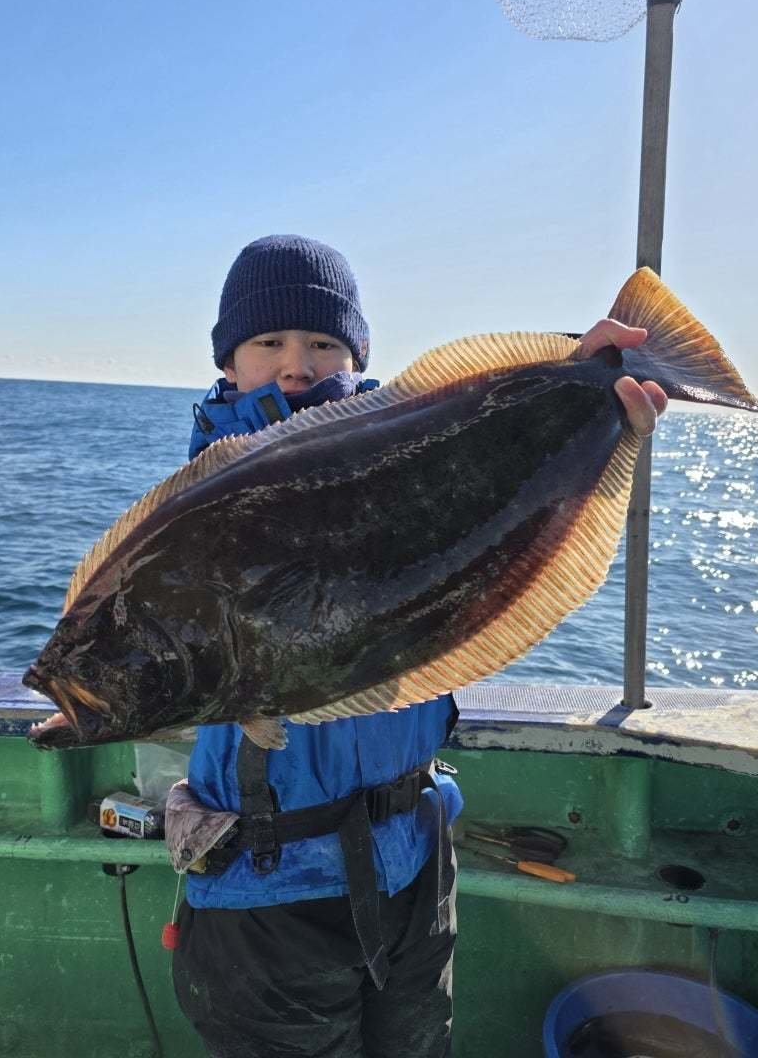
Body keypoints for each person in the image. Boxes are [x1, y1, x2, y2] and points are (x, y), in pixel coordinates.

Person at [170, 234, 667, 1058]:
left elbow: (488, 458)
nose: (295, 366)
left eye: (321, 342)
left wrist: (581, 379)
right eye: (268, 343)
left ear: (357, 355)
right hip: (268, 884)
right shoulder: (207, 488)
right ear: (227, 363)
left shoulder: (421, 445)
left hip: (413, 857)